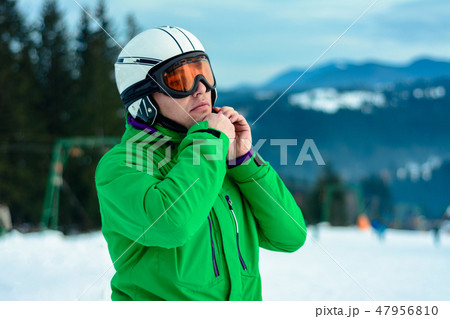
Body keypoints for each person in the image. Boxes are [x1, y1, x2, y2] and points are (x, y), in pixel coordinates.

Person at [95, 26, 307, 301]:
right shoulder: (121, 165)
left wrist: (243, 161)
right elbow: (172, 224)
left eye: (203, 74)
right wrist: (208, 141)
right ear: (143, 98)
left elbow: (290, 236)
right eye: (180, 80)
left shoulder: (219, 159)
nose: (201, 90)